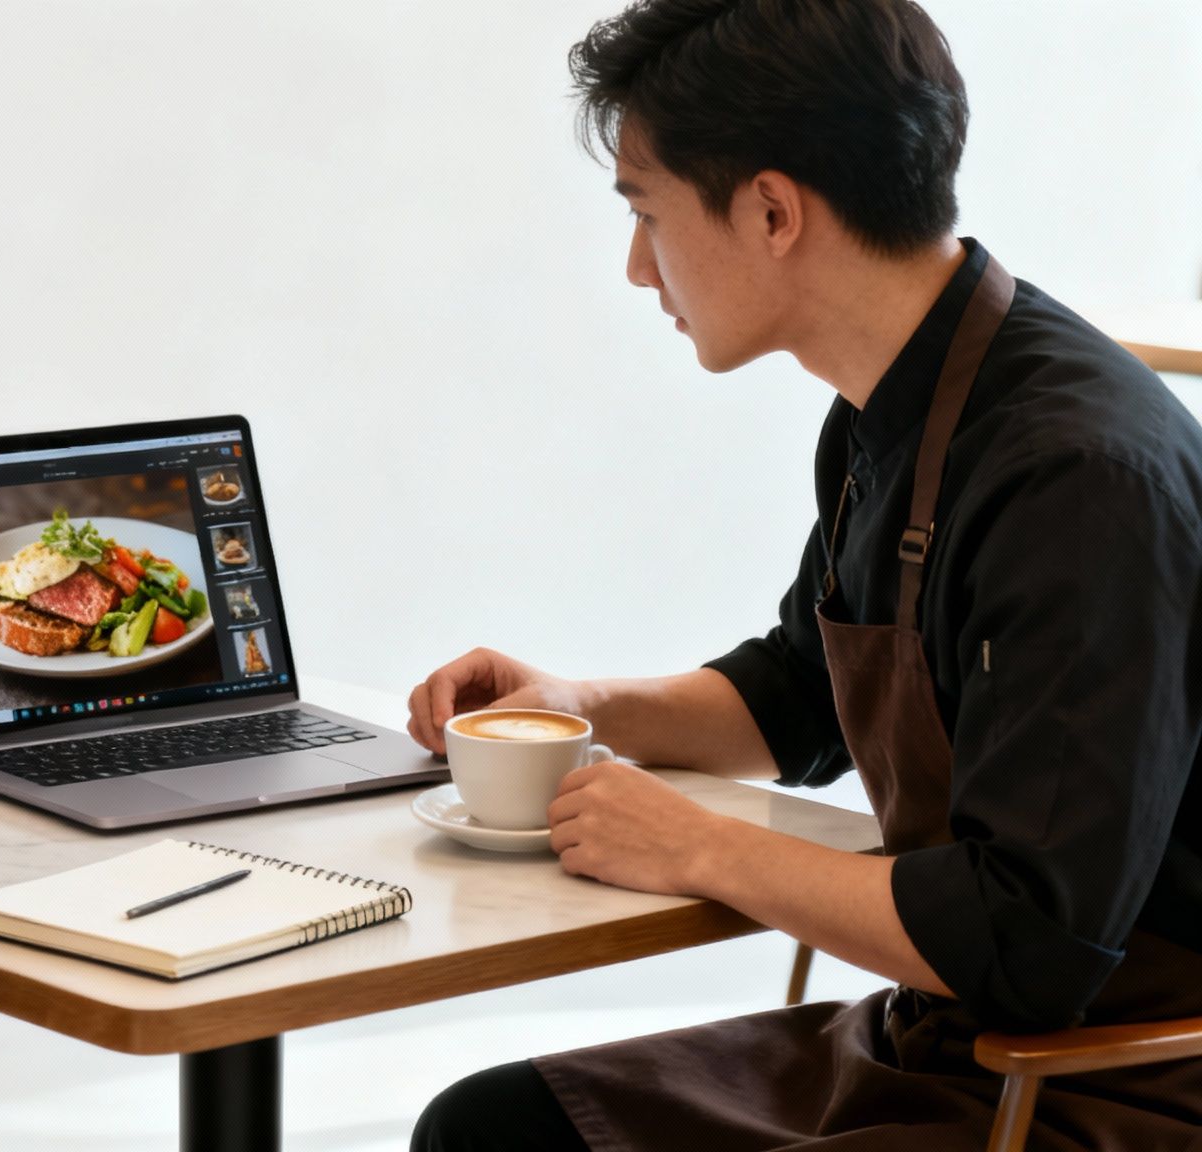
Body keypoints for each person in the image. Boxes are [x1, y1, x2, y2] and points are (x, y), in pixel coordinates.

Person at [406, 1, 1202, 1148]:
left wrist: (694, 844)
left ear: (772, 211)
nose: (637, 268)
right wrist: (583, 711)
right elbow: (802, 696)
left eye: (646, 213)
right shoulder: (889, 406)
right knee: (492, 1126)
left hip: (1098, 1088)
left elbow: (1028, 947)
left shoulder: (1078, 476)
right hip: (944, 1042)